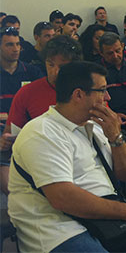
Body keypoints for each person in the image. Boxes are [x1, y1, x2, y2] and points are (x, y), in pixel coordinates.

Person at [8, 61, 126, 253]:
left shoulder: (96, 127)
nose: (108, 97)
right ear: (79, 95)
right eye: (102, 90)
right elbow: (62, 198)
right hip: (59, 228)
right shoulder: (41, 132)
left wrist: (116, 137)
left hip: (108, 217)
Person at [0, 35, 82, 195]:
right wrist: (6, 141)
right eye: (50, 64)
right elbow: (10, 135)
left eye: (62, 66)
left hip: (79, 159)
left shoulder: (87, 91)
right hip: (38, 160)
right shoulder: (27, 93)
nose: (55, 72)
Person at [0, 27, 43, 115]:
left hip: (27, 121)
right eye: (10, 45)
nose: (16, 49)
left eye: (18, 44)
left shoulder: (33, 72)